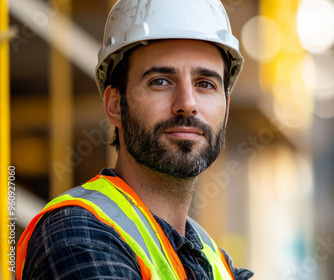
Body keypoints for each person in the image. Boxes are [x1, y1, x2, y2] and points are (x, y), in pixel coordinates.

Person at [16, 0, 253, 279]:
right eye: (160, 81)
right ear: (116, 105)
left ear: (225, 107)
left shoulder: (217, 263)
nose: (187, 103)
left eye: (205, 84)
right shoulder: (76, 233)